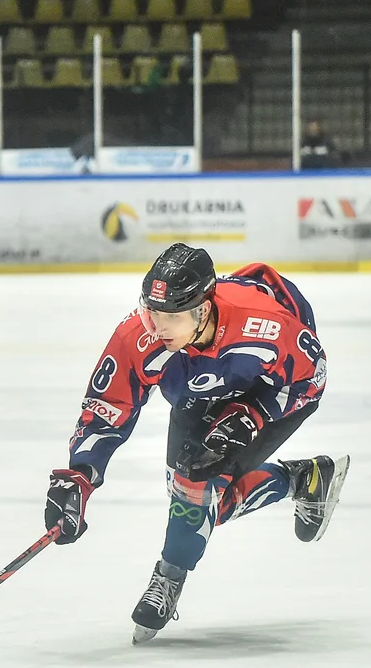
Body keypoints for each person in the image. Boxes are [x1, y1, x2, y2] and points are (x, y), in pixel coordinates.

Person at [42, 243, 350, 643]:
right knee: (202, 507)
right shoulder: (140, 336)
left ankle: (169, 576)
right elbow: (108, 406)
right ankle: (303, 480)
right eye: (151, 311)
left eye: (171, 316)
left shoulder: (264, 325)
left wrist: (254, 413)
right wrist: (80, 475)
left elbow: (312, 377)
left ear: (203, 311)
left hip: (270, 389)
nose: (157, 326)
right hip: (199, 394)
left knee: (194, 491)